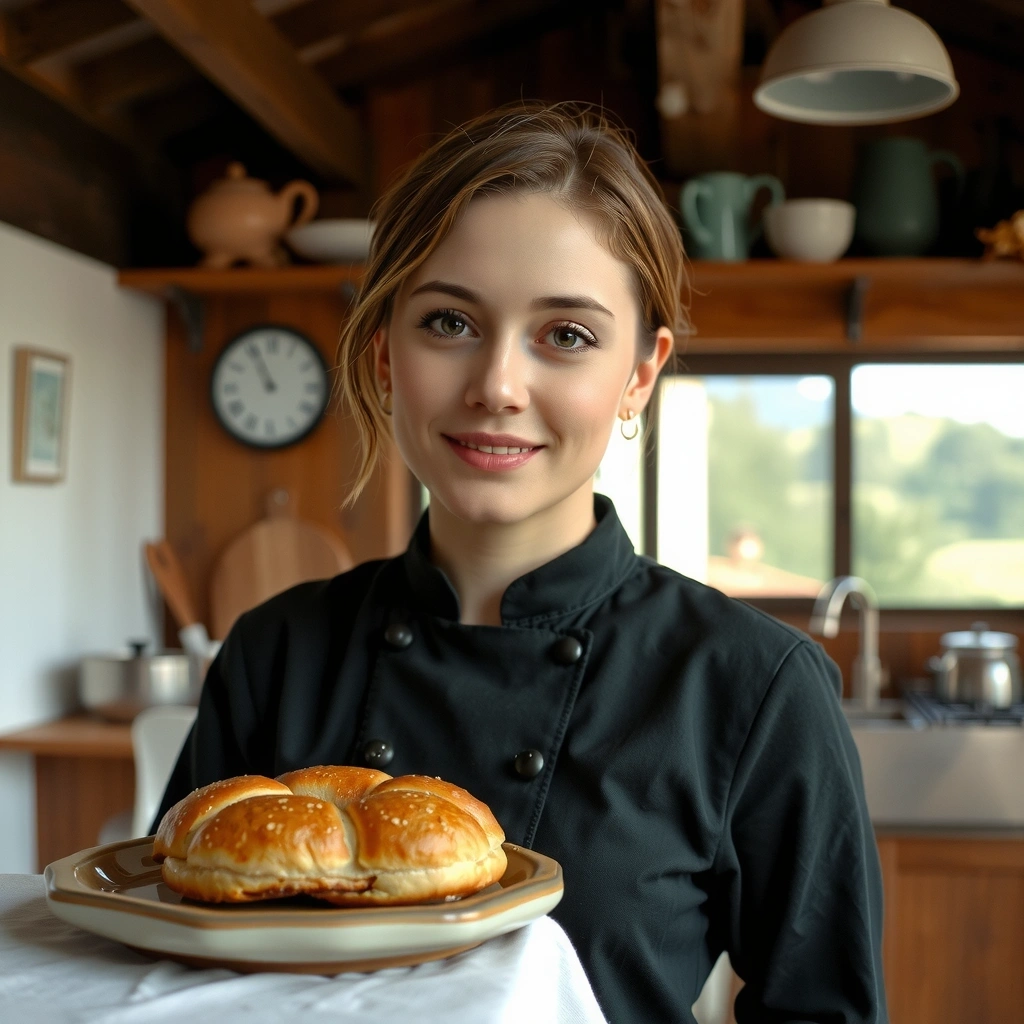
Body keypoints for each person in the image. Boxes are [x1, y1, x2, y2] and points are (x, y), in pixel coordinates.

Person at [156, 100, 887, 1023]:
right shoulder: (275, 652)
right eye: (449, 323)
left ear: (639, 374)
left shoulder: (753, 685)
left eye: (567, 335)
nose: (497, 384)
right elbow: (164, 977)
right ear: (385, 353)